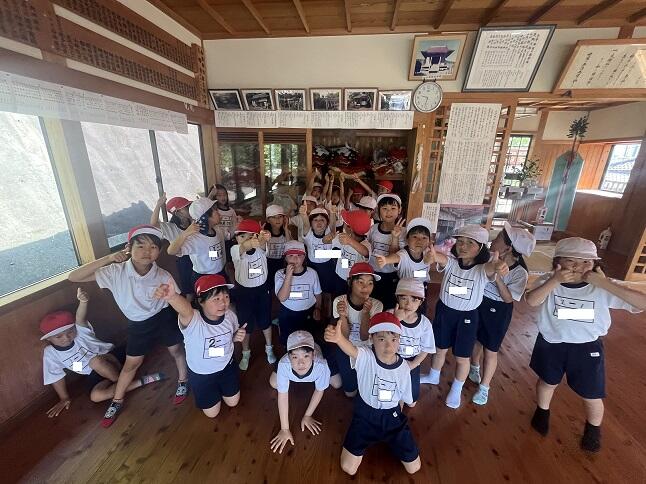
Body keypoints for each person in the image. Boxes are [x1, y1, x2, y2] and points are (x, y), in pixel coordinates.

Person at [525, 237, 646, 452]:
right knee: (547, 382)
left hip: (586, 347)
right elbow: (532, 300)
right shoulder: (547, 280)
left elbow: (641, 302)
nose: (579, 267)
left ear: (595, 265)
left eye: (586, 262)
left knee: (592, 394)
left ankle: (593, 429)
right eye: (571, 261)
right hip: (551, 343)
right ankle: (542, 412)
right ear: (558, 262)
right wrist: (555, 281)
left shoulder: (602, 286)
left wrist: (604, 283)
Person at [68, 224, 189, 427]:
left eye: (153, 247)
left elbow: (179, 302)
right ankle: (117, 399)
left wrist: (169, 298)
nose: (147, 252)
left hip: (163, 317)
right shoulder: (115, 271)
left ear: (159, 251)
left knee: (176, 350)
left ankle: (183, 380)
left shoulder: (163, 275)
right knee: (132, 363)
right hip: (138, 325)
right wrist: (108, 258)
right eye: (141, 246)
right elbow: (74, 277)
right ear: (128, 248)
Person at [418, 224, 508, 409]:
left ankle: (456, 389)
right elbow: (439, 258)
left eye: (470, 243)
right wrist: (431, 256)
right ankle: (434, 375)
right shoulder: (452, 262)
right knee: (439, 348)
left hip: (467, 317)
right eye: (460, 241)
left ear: (481, 247)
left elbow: (492, 267)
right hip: (445, 312)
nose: (463, 246)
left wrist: (498, 265)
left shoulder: (482, 269)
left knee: (462, 357)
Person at [41, 288, 164, 418]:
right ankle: (139, 382)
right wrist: (64, 398)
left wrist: (83, 302)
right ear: (48, 339)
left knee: (95, 362)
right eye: (58, 337)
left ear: (74, 328)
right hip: (95, 374)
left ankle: (121, 384)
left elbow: (80, 317)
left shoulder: (81, 331)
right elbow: (55, 375)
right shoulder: (50, 353)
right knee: (95, 396)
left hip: (112, 358)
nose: (66, 338)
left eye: (70, 332)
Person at [324, 312, 421, 476]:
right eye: (381, 339)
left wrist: (396, 420)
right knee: (348, 467)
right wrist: (339, 339)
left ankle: (391, 439)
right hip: (365, 415)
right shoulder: (366, 356)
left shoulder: (404, 367)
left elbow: (403, 398)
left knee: (414, 468)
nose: (388, 346)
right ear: (371, 339)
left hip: (391, 417)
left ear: (399, 340)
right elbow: (351, 350)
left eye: (394, 339)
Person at [154, 274, 247, 419]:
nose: (223, 302)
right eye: (216, 299)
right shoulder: (194, 320)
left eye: (226, 296)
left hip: (226, 367)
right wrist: (173, 297)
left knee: (233, 402)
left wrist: (235, 337)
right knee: (212, 414)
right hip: (202, 375)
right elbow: (185, 310)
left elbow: (230, 336)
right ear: (201, 301)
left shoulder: (230, 316)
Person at [469, 222, 535, 405]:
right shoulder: (489, 257)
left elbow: (508, 299)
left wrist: (497, 277)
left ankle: (484, 387)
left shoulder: (520, 273)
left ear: (508, 248)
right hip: (479, 303)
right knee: (476, 340)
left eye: (498, 238)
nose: (493, 240)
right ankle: (474, 366)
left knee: (490, 349)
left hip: (498, 311)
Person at [268, 330, 342, 454]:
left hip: (319, 349)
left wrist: (308, 415)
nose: (301, 362)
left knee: (337, 383)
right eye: (295, 357)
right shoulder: (284, 364)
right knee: (273, 383)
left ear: (313, 355)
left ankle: (317, 345)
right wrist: (285, 429)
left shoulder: (321, 365)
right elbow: (283, 396)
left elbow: (319, 390)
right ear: (288, 356)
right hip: (287, 364)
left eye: (306, 356)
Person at [229, 219, 276, 370]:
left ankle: (269, 347)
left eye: (250, 236)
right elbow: (244, 247)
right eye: (242, 236)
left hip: (262, 290)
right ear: (236, 238)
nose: (245, 240)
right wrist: (250, 241)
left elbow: (261, 244)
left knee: (265, 321)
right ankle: (246, 353)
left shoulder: (261, 248)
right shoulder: (235, 250)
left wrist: (263, 237)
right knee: (245, 324)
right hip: (244, 292)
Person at [332, 262, 383, 397]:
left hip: (367, 348)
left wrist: (366, 313)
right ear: (350, 282)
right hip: (345, 346)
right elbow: (344, 335)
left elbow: (364, 337)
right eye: (360, 282)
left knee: (370, 388)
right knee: (350, 393)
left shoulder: (377, 305)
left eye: (370, 283)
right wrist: (342, 315)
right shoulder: (339, 301)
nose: (365, 287)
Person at [389, 279, 435, 406]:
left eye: (414, 299)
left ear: (421, 301)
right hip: (391, 359)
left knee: (412, 402)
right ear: (397, 298)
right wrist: (396, 320)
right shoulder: (389, 315)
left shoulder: (425, 323)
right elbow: (382, 340)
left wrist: (413, 364)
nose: (408, 304)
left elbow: (426, 349)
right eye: (404, 298)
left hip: (412, 361)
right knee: (394, 398)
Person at [375, 217, 434, 313]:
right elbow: (397, 257)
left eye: (424, 238)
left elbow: (439, 258)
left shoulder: (428, 252)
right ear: (407, 239)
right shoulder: (404, 254)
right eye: (415, 237)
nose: (419, 241)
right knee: (400, 315)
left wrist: (434, 257)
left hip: (420, 292)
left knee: (418, 315)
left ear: (429, 241)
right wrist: (386, 260)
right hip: (404, 292)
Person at [167, 197, 228, 287]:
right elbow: (171, 251)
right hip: (204, 278)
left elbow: (209, 253)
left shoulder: (218, 229)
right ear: (206, 217)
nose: (219, 212)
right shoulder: (195, 239)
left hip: (220, 272)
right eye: (215, 210)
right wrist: (185, 233)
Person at [274, 241, 322, 346]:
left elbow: (318, 293)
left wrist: (318, 308)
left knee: (307, 339)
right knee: (288, 339)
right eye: (291, 256)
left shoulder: (312, 273)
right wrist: (288, 275)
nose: (295, 259)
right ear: (285, 258)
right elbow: (282, 298)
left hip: (308, 311)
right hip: (288, 312)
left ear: (304, 257)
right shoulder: (280, 274)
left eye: (299, 255)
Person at [150, 194, 195, 300]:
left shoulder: (194, 220)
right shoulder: (170, 227)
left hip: (199, 255)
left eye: (189, 205)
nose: (190, 208)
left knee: (201, 282)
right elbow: (153, 224)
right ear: (177, 212)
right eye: (186, 207)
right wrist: (158, 205)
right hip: (185, 260)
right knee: (189, 291)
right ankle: (189, 307)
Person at [367, 194, 405, 309]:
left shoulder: (403, 232)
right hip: (373, 274)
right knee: (372, 307)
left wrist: (395, 237)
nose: (389, 212)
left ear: (399, 210)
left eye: (393, 208)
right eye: (384, 208)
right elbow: (368, 249)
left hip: (391, 276)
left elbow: (395, 258)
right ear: (378, 210)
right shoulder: (373, 229)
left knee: (389, 308)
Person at [303, 207, 337, 319]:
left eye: (322, 220)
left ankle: (328, 317)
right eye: (315, 220)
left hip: (328, 267)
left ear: (326, 223)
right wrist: (303, 214)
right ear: (311, 224)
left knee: (327, 293)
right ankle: (315, 314)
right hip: (312, 267)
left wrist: (333, 213)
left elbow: (333, 225)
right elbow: (305, 224)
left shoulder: (329, 233)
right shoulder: (308, 234)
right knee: (315, 292)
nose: (319, 223)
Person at [330, 209, 372, 298]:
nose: (343, 224)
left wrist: (350, 241)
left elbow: (365, 252)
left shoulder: (366, 244)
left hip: (355, 282)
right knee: (338, 299)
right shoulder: (344, 237)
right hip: (340, 277)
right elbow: (328, 241)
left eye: (345, 223)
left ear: (350, 228)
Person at [264, 204, 292, 294]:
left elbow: (290, 247)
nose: (278, 220)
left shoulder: (287, 232)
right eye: (274, 217)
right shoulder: (265, 233)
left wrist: (286, 229)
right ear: (268, 220)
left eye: (280, 217)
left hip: (281, 263)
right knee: (269, 287)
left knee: (281, 286)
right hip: (267, 264)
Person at [208, 183, 241, 250]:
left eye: (225, 194)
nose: (223, 197)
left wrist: (239, 224)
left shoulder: (231, 211)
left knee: (226, 255)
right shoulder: (213, 209)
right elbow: (204, 207)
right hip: (215, 241)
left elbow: (234, 226)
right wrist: (211, 195)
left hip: (228, 241)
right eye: (219, 195)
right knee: (215, 255)